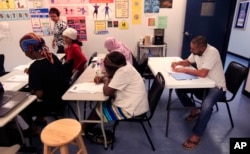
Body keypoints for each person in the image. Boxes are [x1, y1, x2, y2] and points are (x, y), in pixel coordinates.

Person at [171, 35, 226, 150]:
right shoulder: (197, 52)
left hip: (216, 86)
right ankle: (194, 110)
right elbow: (188, 61)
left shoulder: (212, 52)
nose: (191, 51)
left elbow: (202, 73)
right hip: (203, 84)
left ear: (202, 48)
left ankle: (196, 135)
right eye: (191, 49)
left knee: (206, 106)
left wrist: (184, 70)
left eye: (193, 49)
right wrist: (178, 63)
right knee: (179, 89)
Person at [82, 52, 149, 141]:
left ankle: (83, 129)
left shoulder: (123, 72)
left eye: (106, 69)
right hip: (135, 102)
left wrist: (105, 80)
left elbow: (107, 92)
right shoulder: (125, 66)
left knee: (99, 109)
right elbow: (111, 75)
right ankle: (86, 128)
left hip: (132, 109)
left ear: (113, 69)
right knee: (102, 104)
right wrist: (102, 78)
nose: (105, 71)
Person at [19, 32, 66, 134]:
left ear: (30, 51)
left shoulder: (35, 67)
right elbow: (48, 72)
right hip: (60, 97)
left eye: (25, 52)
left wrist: (30, 91)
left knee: (21, 106)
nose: (26, 55)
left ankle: (32, 129)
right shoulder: (52, 56)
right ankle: (40, 119)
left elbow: (39, 94)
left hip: (49, 103)